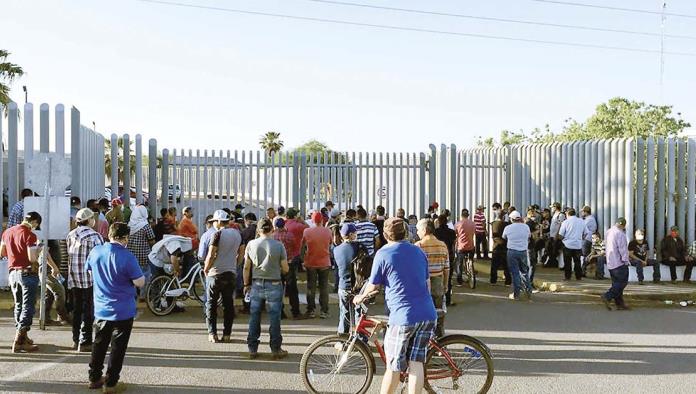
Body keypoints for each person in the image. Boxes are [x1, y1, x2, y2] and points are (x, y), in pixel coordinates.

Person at [353, 217, 437, 394]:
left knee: (393, 365)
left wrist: (360, 297)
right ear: (406, 232)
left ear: (385, 235)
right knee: (416, 362)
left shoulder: (383, 254)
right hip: (427, 313)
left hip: (403, 316)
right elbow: (427, 283)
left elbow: (373, 285)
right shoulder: (418, 251)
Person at [86, 222, 145, 393]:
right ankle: (111, 383)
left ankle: (94, 377)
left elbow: (90, 272)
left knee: (99, 344)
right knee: (118, 348)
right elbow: (139, 281)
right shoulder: (127, 256)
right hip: (123, 309)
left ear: (110, 234)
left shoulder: (96, 251)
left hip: (101, 308)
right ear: (125, 238)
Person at [243, 218, 290, 360]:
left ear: (258, 230)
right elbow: (285, 268)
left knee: (254, 315)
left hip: (256, 283)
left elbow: (246, 267)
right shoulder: (279, 245)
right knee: (274, 317)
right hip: (274, 283)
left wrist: (246, 284)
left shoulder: (251, 244)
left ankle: (252, 348)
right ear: (272, 230)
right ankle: (275, 349)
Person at [2, 211, 42, 352]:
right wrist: (38, 250)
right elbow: (32, 258)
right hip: (27, 272)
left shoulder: (7, 232)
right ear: (35, 222)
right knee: (28, 306)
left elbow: (2, 252)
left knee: (19, 305)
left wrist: (15, 254)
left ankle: (23, 336)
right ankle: (19, 339)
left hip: (13, 273)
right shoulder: (30, 235)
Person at [67, 208, 105, 352]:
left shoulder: (71, 235)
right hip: (90, 278)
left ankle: (75, 339)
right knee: (88, 310)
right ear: (89, 220)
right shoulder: (95, 236)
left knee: (76, 309)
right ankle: (86, 340)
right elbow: (100, 258)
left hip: (74, 278)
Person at [203, 210, 242, 343]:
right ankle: (227, 334)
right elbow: (241, 251)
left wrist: (206, 268)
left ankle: (212, 333)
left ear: (219, 221)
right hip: (230, 273)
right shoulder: (237, 234)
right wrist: (235, 264)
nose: (215, 223)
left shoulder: (217, 234)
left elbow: (211, 254)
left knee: (211, 304)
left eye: (215, 221)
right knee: (228, 304)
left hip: (215, 273)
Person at [415, 219, 449, 338]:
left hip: (423, 284)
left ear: (424, 230)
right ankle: (440, 341)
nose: (417, 232)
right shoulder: (442, 245)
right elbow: (446, 268)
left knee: (423, 315)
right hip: (438, 282)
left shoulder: (418, 246)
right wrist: (445, 284)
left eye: (418, 229)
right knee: (438, 314)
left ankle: (424, 340)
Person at [302, 211, 333, 318]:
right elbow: (330, 243)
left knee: (311, 287)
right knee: (324, 288)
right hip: (324, 262)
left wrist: (302, 260)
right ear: (322, 220)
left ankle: (311, 310)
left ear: (312, 220)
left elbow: (303, 246)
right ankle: (324, 311)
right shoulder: (328, 231)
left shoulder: (307, 231)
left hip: (311, 262)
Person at [333, 223, 360, 334]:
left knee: (344, 312)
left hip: (343, 285)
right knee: (359, 313)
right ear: (351, 234)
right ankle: (360, 338)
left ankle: (342, 337)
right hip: (358, 286)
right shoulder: (359, 247)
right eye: (355, 233)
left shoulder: (336, 250)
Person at [126, 206, 156, 299]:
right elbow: (152, 240)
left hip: (130, 255)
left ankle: (133, 294)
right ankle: (143, 295)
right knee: (145, 275)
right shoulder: (145, 226)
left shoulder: (129, 225)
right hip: (143, 254)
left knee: (132, 275)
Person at [601, 218, 630, 311]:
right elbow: (623, 249)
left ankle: (619, 303)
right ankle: (608, 296)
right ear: (623, 225)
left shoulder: (608, 232)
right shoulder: (620, 234)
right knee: (622, 282)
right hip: (619, 262)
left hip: (610, 261)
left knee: (616, 282)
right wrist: (625, 260)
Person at [285, 208, 308, 319]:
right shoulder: (299, 226)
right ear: (296, 216)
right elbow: (308, 229)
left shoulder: (284, 225)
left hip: (281, 258)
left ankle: (280, 311)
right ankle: (295, 310)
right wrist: (302, 220)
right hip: (294, 256)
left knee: (281, 284)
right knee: (292, 284)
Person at [502, 211, 532, 300]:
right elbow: (529, 236)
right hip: (523, 251)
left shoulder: (508, 228)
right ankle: (528, 290)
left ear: (512, 219)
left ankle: (516, 294)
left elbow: (504, 237)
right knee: (524, 272)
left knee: (515, 273)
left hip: (512, 252)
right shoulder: (526, 227)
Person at [558, 208, 586, 281]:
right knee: (577, 261)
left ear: (567, 214)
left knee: (567, 262)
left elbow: (560, 235)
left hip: (567, 244)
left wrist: (562, 239)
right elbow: (586, 233)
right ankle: (578, 277)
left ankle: (568, 277)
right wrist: (581, 239)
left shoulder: (566, 222)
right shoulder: (581, 221)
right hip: (578, 244)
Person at [454, 209, 476, 287]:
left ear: (461, 215)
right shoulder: (473, 224)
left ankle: (459, 281)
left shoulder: (458, 224)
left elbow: (455, 234)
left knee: (459, 263)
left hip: (461, 247)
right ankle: (471, 266)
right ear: (468, 215)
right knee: (471, 259)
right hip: (471, 246)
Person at [490, 210, 511, 286]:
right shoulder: (507, 224)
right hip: (505, 246)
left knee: (494, 266)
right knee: (506, 266)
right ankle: (508, 281)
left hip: (496, 247)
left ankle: (493, 280)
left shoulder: (493, 224)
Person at [177, 206, 200, 275]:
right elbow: (195, 230)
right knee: (189, 262)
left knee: (187, 261)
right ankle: (189, 277)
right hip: (188, 245)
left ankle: (186, 276)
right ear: (185, 213)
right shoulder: (186, 221)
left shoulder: (185, 220)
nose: (192, 213)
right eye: (190, 211)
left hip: (187, 244)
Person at [546, 202, 565, 268]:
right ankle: (552, 262)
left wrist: (557, 234)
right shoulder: (554, 214)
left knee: (554, 249)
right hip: (552, 234)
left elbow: (561, 225)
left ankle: (553, 263)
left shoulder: (561, 215)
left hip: (555, 235)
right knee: (549, 248)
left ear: (556, 207)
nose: (552, 209)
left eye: (553, 207)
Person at [525, 208, 542, 284]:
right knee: (531, 265)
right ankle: (529, 283)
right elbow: (531, 235)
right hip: (529, 246)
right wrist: (538, 231)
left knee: (531, 265)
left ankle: (528, 282)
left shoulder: (531, 223)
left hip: (530, 246)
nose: (534, 216)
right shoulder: (529, 223)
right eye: (533, 215)